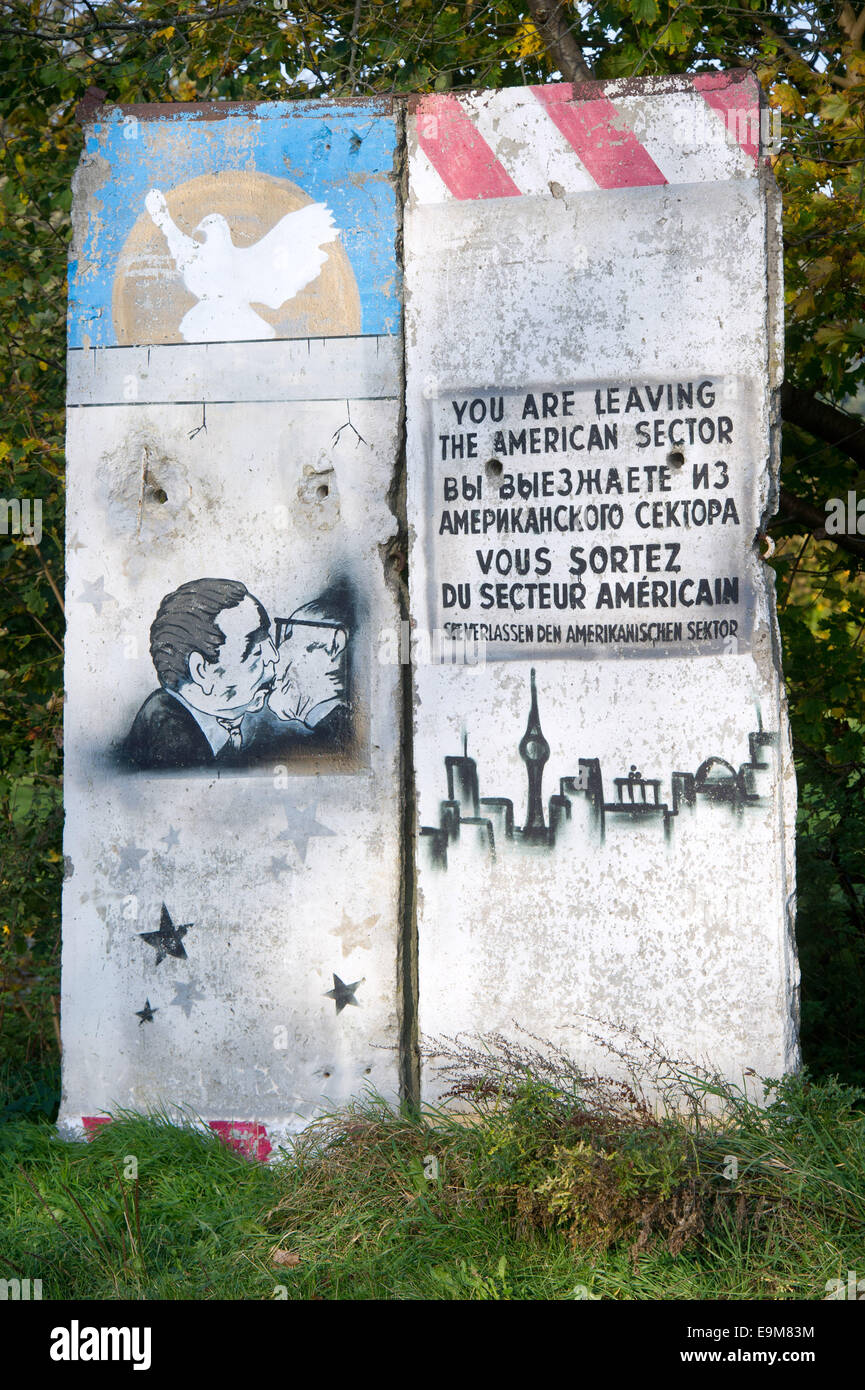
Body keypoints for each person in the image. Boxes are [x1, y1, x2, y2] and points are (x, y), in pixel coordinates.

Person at [123, 578, 277, 770]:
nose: (275, 656)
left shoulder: (236, 728)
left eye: (269, 643)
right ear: (201, 671)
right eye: (256, 651)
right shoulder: (168, 750)